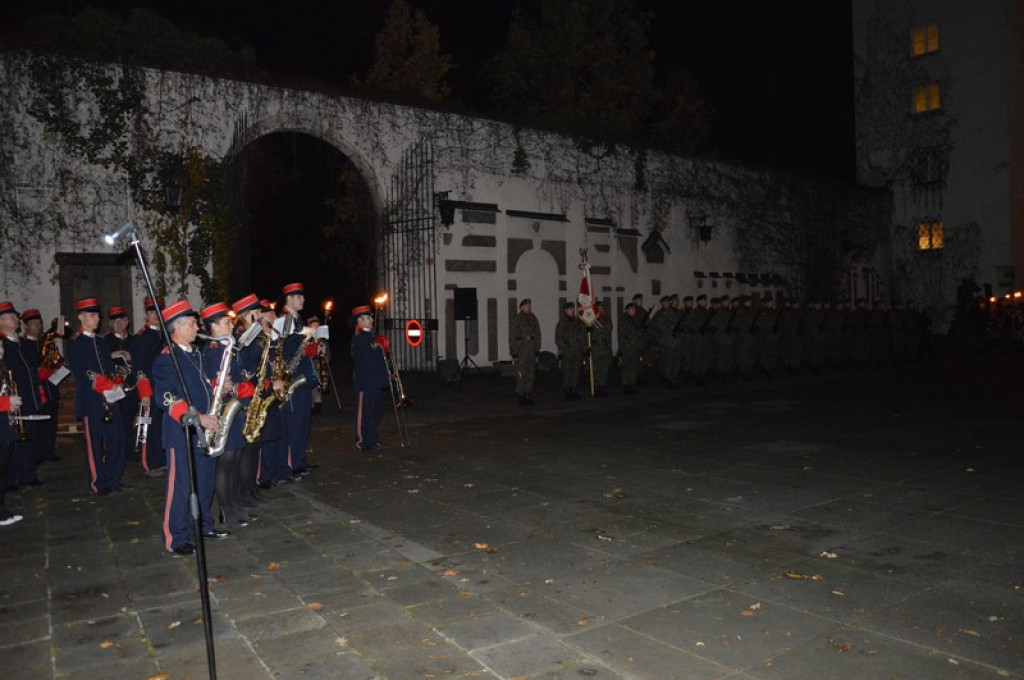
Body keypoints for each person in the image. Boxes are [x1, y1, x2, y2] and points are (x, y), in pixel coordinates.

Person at [151, 299, 228, 555]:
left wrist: (220, 387)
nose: (197, 328)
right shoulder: (166, 359)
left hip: (205, 431)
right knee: (181, 486)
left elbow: (204, 386)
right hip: (182, 433)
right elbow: (166, 397)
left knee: (205, 482)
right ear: (178, 327)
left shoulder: (195, 353)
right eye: (193, 324)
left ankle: (204, 526)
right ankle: (176, 537)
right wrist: (196, 417)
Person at [67, 298, 140, 495]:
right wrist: (107, 384)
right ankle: (99, 483)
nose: (97, 318)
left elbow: (109, 367)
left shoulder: (101, 341)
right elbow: (84, 372)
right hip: (91, 399)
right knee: (95, 445)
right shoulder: (75, 343)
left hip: (110, 398)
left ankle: (114, 479)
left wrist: (116, 380)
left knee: (118, 438)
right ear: (81, 317)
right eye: (92, 315)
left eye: (98, 315)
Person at [200, 302, 256, 528]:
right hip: (222, 410)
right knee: (225, 463)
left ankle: (235, 505)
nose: (231, 327)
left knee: (234, 460)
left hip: (235, 409)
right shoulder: (212, 351)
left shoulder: (228, 347)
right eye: (225, 323)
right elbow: (206, 380)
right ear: (213, 326)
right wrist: (222, 385)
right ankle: (226, 509)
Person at [0, 302, 44, 491]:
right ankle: (10, 479)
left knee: (29, 437)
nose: (17, 319)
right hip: (11, 400)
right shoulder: (3, 343)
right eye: (12, 317)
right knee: (12, 440)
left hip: (27, 396)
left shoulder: (18, 342)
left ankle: (27, 474)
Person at [279, 283, 319, 477]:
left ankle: (300, 460)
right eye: (299, 296)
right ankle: (292, 463)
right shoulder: (285, 320)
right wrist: (308, 348)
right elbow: (287, 350)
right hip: (293, 377)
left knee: (303, 421)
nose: (303, 299)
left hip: (303, 377)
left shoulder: (298, 319)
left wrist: (314, 347)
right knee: (294, 423)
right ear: (289, 298)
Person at [105, 306, 146, 464]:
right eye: (115, 321)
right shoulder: (104, 341)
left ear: (127, 322)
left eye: (122, 320)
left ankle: (130, 452)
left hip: (131, 387)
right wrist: (111, 356)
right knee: (116, 423)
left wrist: (132, 356)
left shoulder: (136, 340)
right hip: (113, 389)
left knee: (130, 422)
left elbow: (143, 361)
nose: (119, 324)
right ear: (110, 324)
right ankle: (115, 454)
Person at [133, 297, 166, 474]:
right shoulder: (141, 338)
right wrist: (144, 393)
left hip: (163, 388)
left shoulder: (165, 335)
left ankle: (161, 459)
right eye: (152, 312)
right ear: (146, 314)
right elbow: (139, 369)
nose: (156, 315)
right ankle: (149, 462)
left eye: (159, 311)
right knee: (149, 426)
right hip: (150, 389)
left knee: (162, 425)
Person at [350, 305, 389, 451]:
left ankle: (372, 437)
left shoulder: (371, 336)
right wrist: (377, 345)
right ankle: (362, 440)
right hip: (365, 381)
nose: (371, 320)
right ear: (360, 321)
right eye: (367, 318)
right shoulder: (359, 338)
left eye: (371, 317)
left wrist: (381, 345)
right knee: (364, 412)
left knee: (376, 411)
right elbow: (364, 355)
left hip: (376, 380)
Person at [0, 339, 24, 526]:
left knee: (3, 469)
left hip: (4, 424)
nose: (0, 351)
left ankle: (2, 509)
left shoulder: (3, 370)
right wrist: (7, 403)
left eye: (1, 347)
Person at [509, 298, 541, 406]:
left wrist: (537, 349)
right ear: (521, 307)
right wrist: (514, 352)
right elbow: (512, 336)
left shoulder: (533, 319)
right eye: (526, 306)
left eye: (529, 306)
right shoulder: (517, 319)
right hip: (521, 351)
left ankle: (528, 395)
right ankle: (521, 396)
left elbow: (537, 335)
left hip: (531, 351)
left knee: (531, 374)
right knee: (521, 374)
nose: (529, 307)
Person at [555, 301, 586, 400]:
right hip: (567, 352)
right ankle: (567, 392)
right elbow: (558, 339)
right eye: (570, 309)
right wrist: (564, 348)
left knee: (576, 372)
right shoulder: (562, 323)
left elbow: (582, 336)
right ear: (565, 311)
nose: (572, 311)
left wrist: (584, 348)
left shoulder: (578, 322)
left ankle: (574, 390)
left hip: (577, 351)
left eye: (573, 309)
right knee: (567, 373)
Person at [617, 302, 643, 394]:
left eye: (635, 309)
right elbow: (621, 336)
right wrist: (620, 350)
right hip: (627, 347)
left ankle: (632, 385)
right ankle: (626, 386)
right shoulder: (624, 321)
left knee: (633, 367)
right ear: (628, 310)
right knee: (626, 367)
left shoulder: (635, 319)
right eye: (632, 309)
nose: (634, 310)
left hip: (635, 347)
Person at [590, 300, 613, 396]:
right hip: (595, 348)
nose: (600, 309)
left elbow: (608, 330)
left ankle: (602, 387)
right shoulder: (590, 321)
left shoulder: (607, 319)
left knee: (604, 369)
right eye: (598, 308)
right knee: (595, 369)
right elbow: (587, 334)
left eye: (601, 307)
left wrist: (598, 332)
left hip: (604, 347)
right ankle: (595, 387)